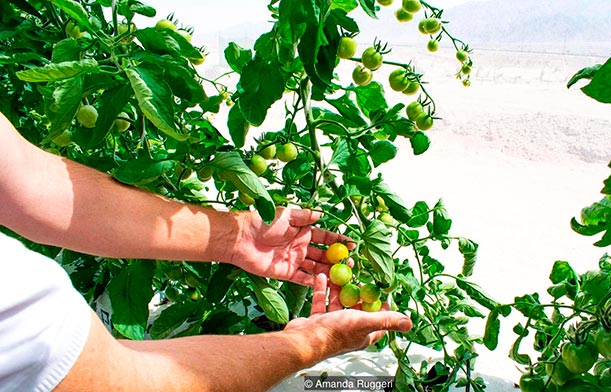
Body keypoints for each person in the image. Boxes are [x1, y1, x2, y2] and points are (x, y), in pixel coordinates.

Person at [0, 112, 413, 392]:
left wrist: (234, 237)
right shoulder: (16, 295)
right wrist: (311, 343)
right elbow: (120, 382)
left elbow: (29, 183)